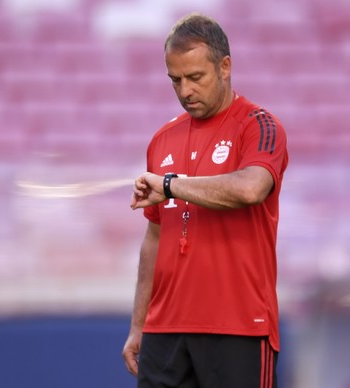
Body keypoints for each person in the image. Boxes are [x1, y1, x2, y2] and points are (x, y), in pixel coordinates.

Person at [121, 13, 289, 388]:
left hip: (239, 326)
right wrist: (139, 324)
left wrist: (171, 185)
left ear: (225, 66)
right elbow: (154, 237)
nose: (185, 91)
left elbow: (250, 188)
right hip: (165, 331)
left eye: (195, 77)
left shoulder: (259, 126)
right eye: (175, 80)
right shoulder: (162, 139)